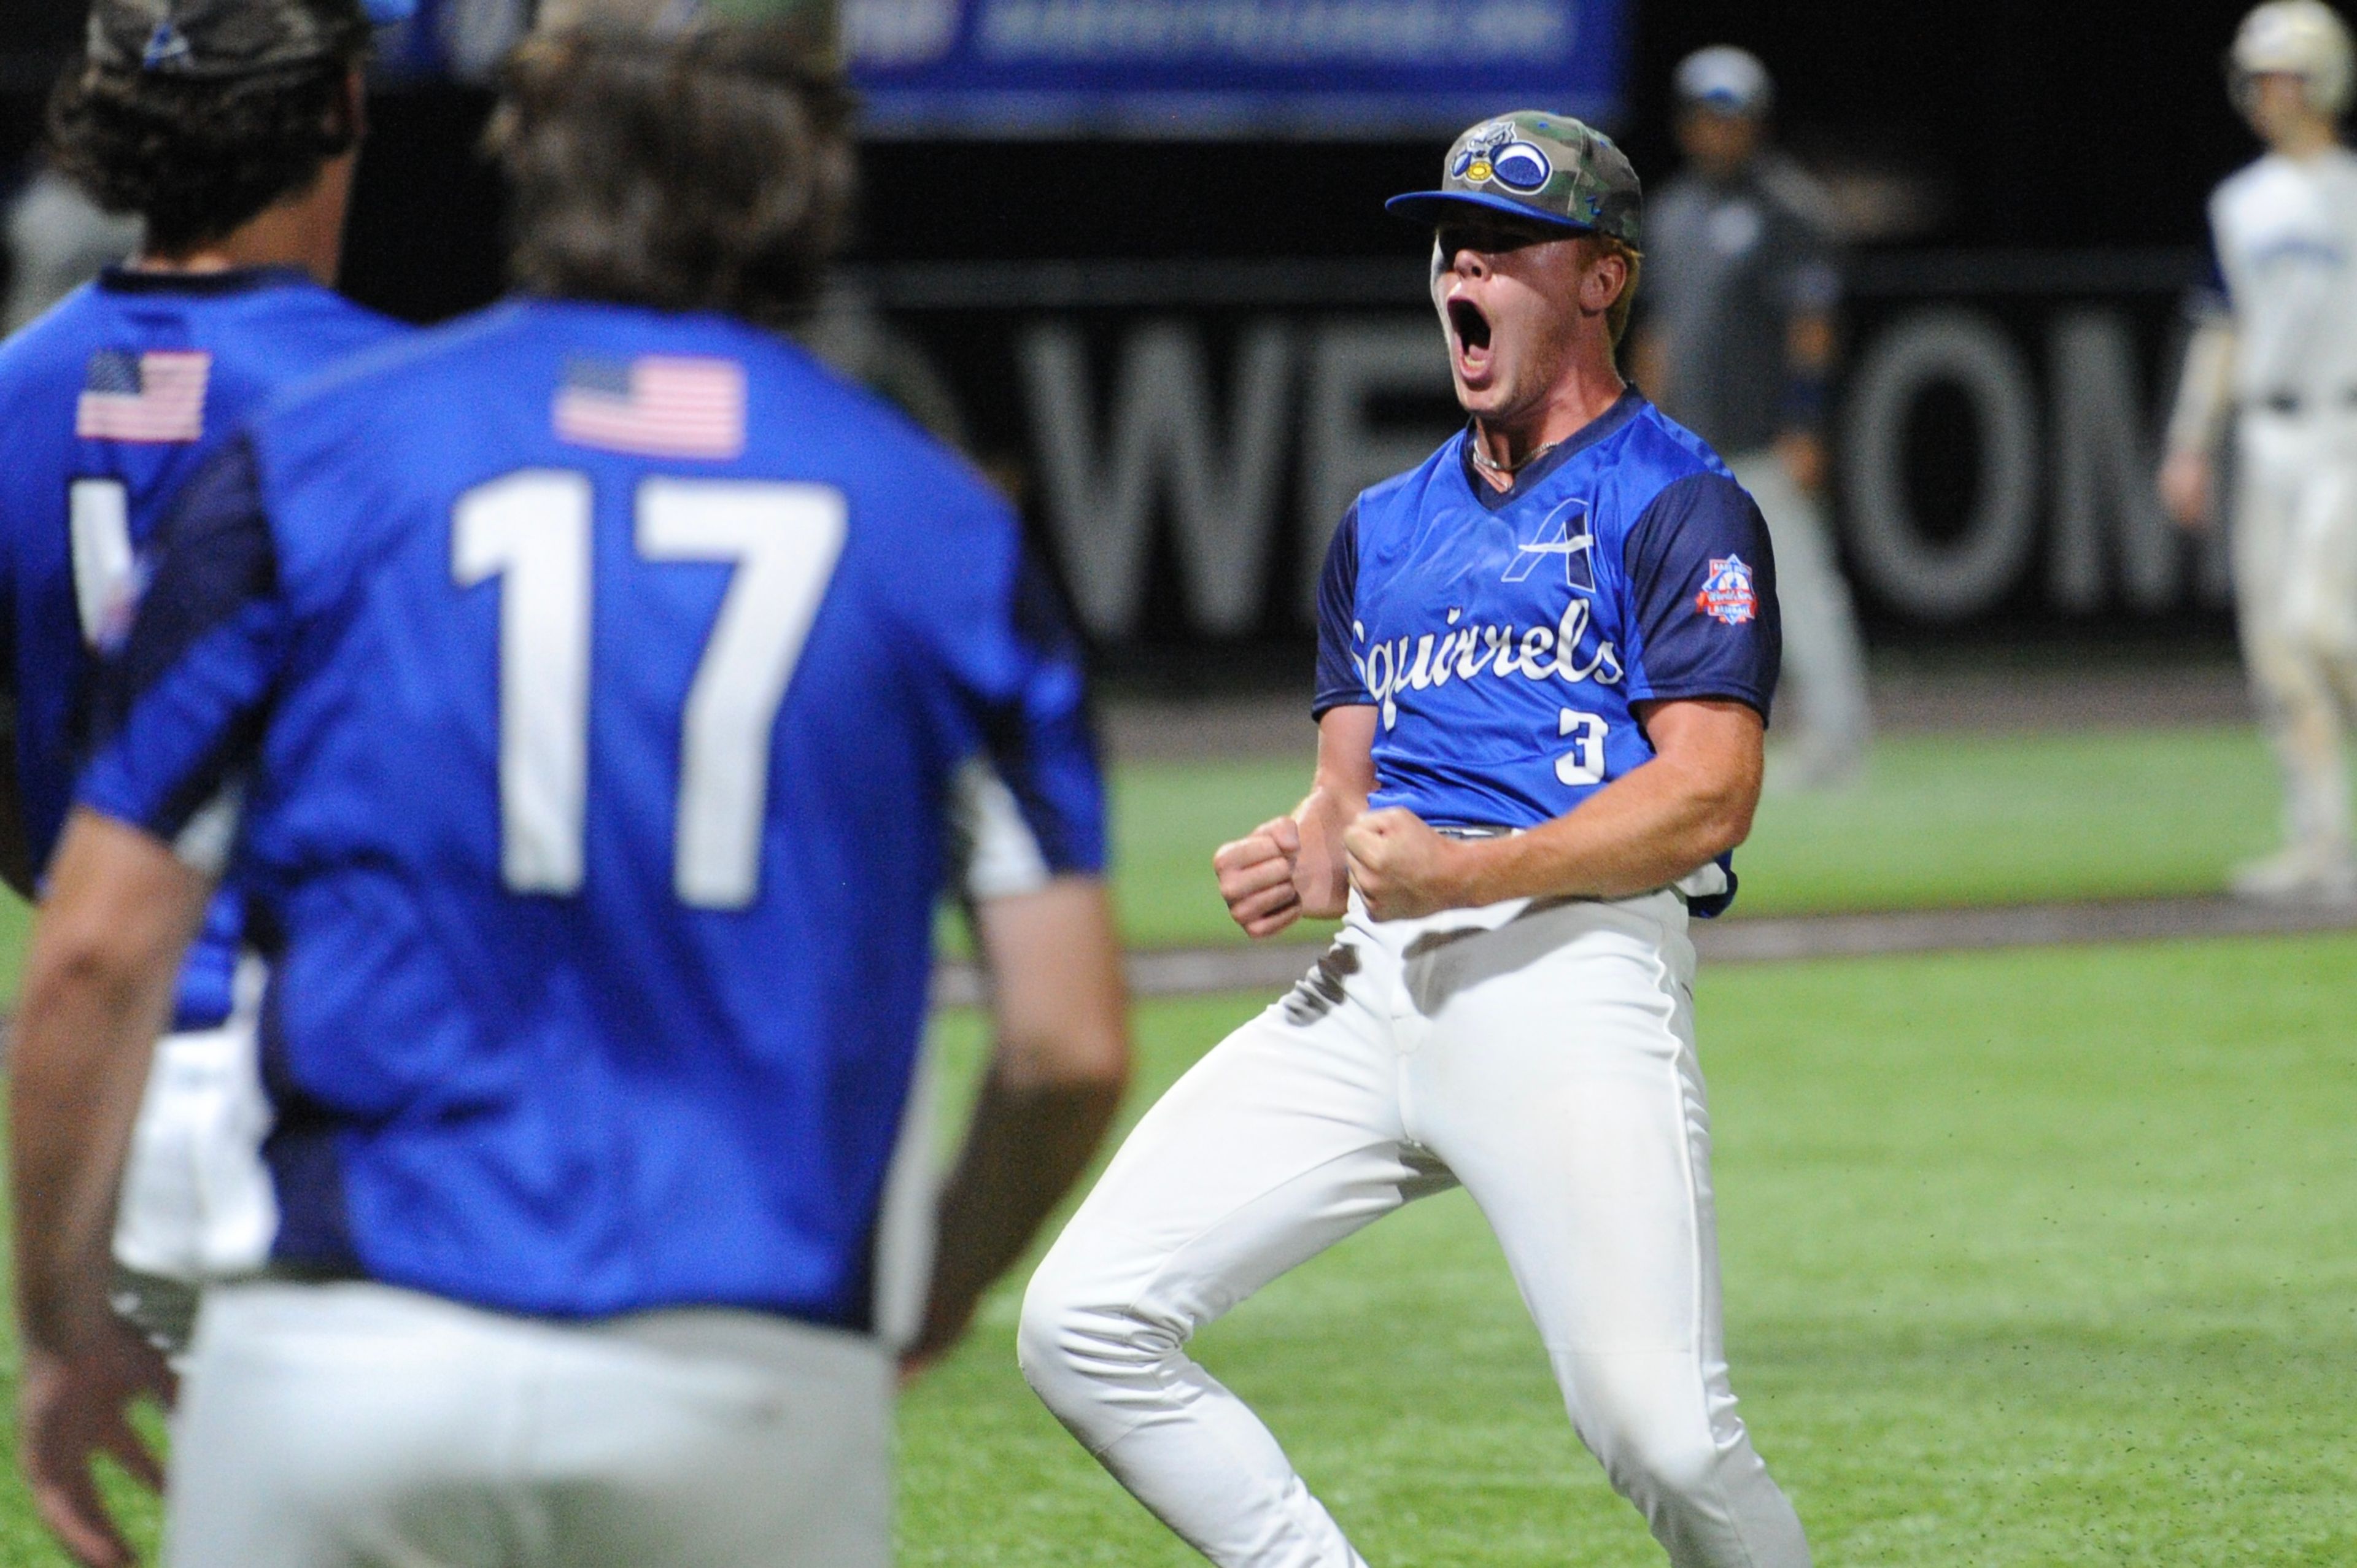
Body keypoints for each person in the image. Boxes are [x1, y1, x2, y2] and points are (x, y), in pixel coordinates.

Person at [10, 3, 1128, 1566]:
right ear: (817, 155)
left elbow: (93, 948)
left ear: (524, 143)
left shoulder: (334, 454)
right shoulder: (932, 521)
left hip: (349, 1341)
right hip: (740, 1368)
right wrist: (929, 1297)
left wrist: (64, 1331)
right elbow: (1066, 1042)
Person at [1020, 111, 1811, 1568]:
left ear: (1601, 280)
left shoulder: (1676, 499)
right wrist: (1312, 846)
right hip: (1366, 985)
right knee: (1081, 1326)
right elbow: (1345, 787)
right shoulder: (1380, 529)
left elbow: (1708, 796)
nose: (1465, 262)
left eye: (1507, 241)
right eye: (1452, 240)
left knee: (1664, 1440)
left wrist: (1472, 871)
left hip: (1566, 976)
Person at [0, 0, 413, 1379]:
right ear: (343, 107)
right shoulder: (395, 404)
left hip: (116, 1114)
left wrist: (81, 873)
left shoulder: (12, 391)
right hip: (336, 1099)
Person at [2161, 0, 2357, 903]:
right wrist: (2189, 443)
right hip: (2267, 432)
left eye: (2288, 74)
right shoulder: (2240, 203)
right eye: (2262, 75)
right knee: (2277, 650)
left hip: (2346, 429)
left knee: (2331, 627)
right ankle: (2320, 839)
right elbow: (2220, 328)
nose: (2273, 93)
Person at [1632, 46, 1869, 790]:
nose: (1718, 130)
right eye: (1706, 115)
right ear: (1686, 121)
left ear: (1757, 122)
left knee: (1800, 594)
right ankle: (1687, 750)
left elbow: (1813, 327)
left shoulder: (1789, 208)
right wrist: (1642, 431)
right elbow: (1659, 334)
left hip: (1766, 440)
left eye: (1732, 116)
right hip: (1690, 447)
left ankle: (1837, 742)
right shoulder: (1670, 214)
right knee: (1682, 604)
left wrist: (1806, 422)